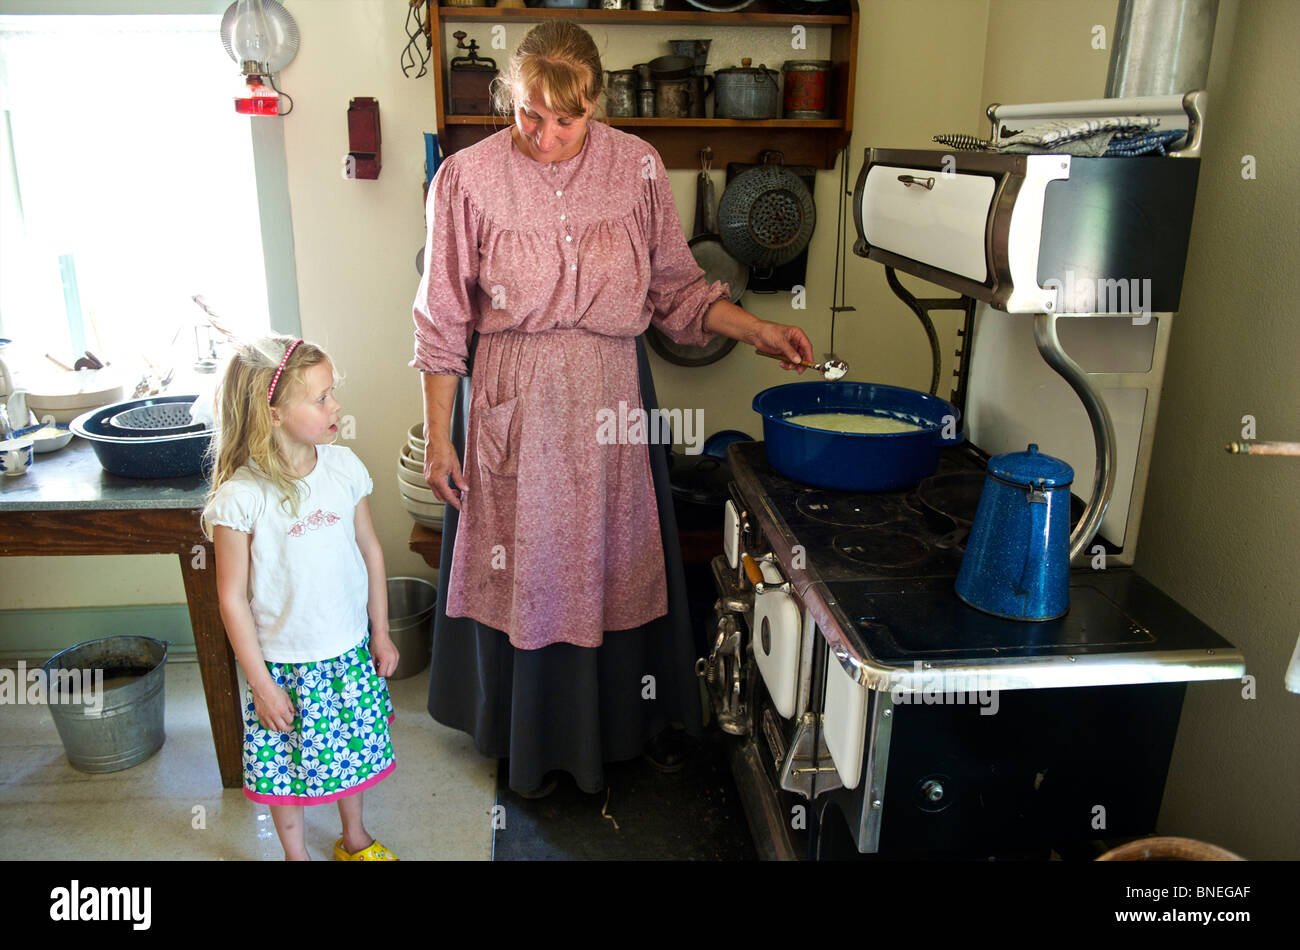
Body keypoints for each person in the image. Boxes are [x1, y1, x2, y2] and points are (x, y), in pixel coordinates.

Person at [411, 21, 813, 799]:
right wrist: (439, 436)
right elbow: (440, 322)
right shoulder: (464, 179)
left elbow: (677, 290)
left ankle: (621, 731)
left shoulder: (638, 168)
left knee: (609, 561)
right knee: (521, 568)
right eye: (530, 114)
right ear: (510, 96)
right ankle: (521, 742)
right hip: (512, 398)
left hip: (609, 396)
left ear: (597, 101)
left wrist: (757, 328)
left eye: (568, 118)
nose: (547, 135)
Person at [203, 336, 400, 861]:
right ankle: (297, 856)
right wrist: (261, 683)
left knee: (351, 758)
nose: (335, 406)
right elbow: (231, 599)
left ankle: (354, 838)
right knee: (287, 770)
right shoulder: (241, 498)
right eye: (320, 398)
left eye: (332, 393)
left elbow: (371, 553)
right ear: (272, 414)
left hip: (350, 651)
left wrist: (380, 631)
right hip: (285, 665)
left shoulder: (344, 468)